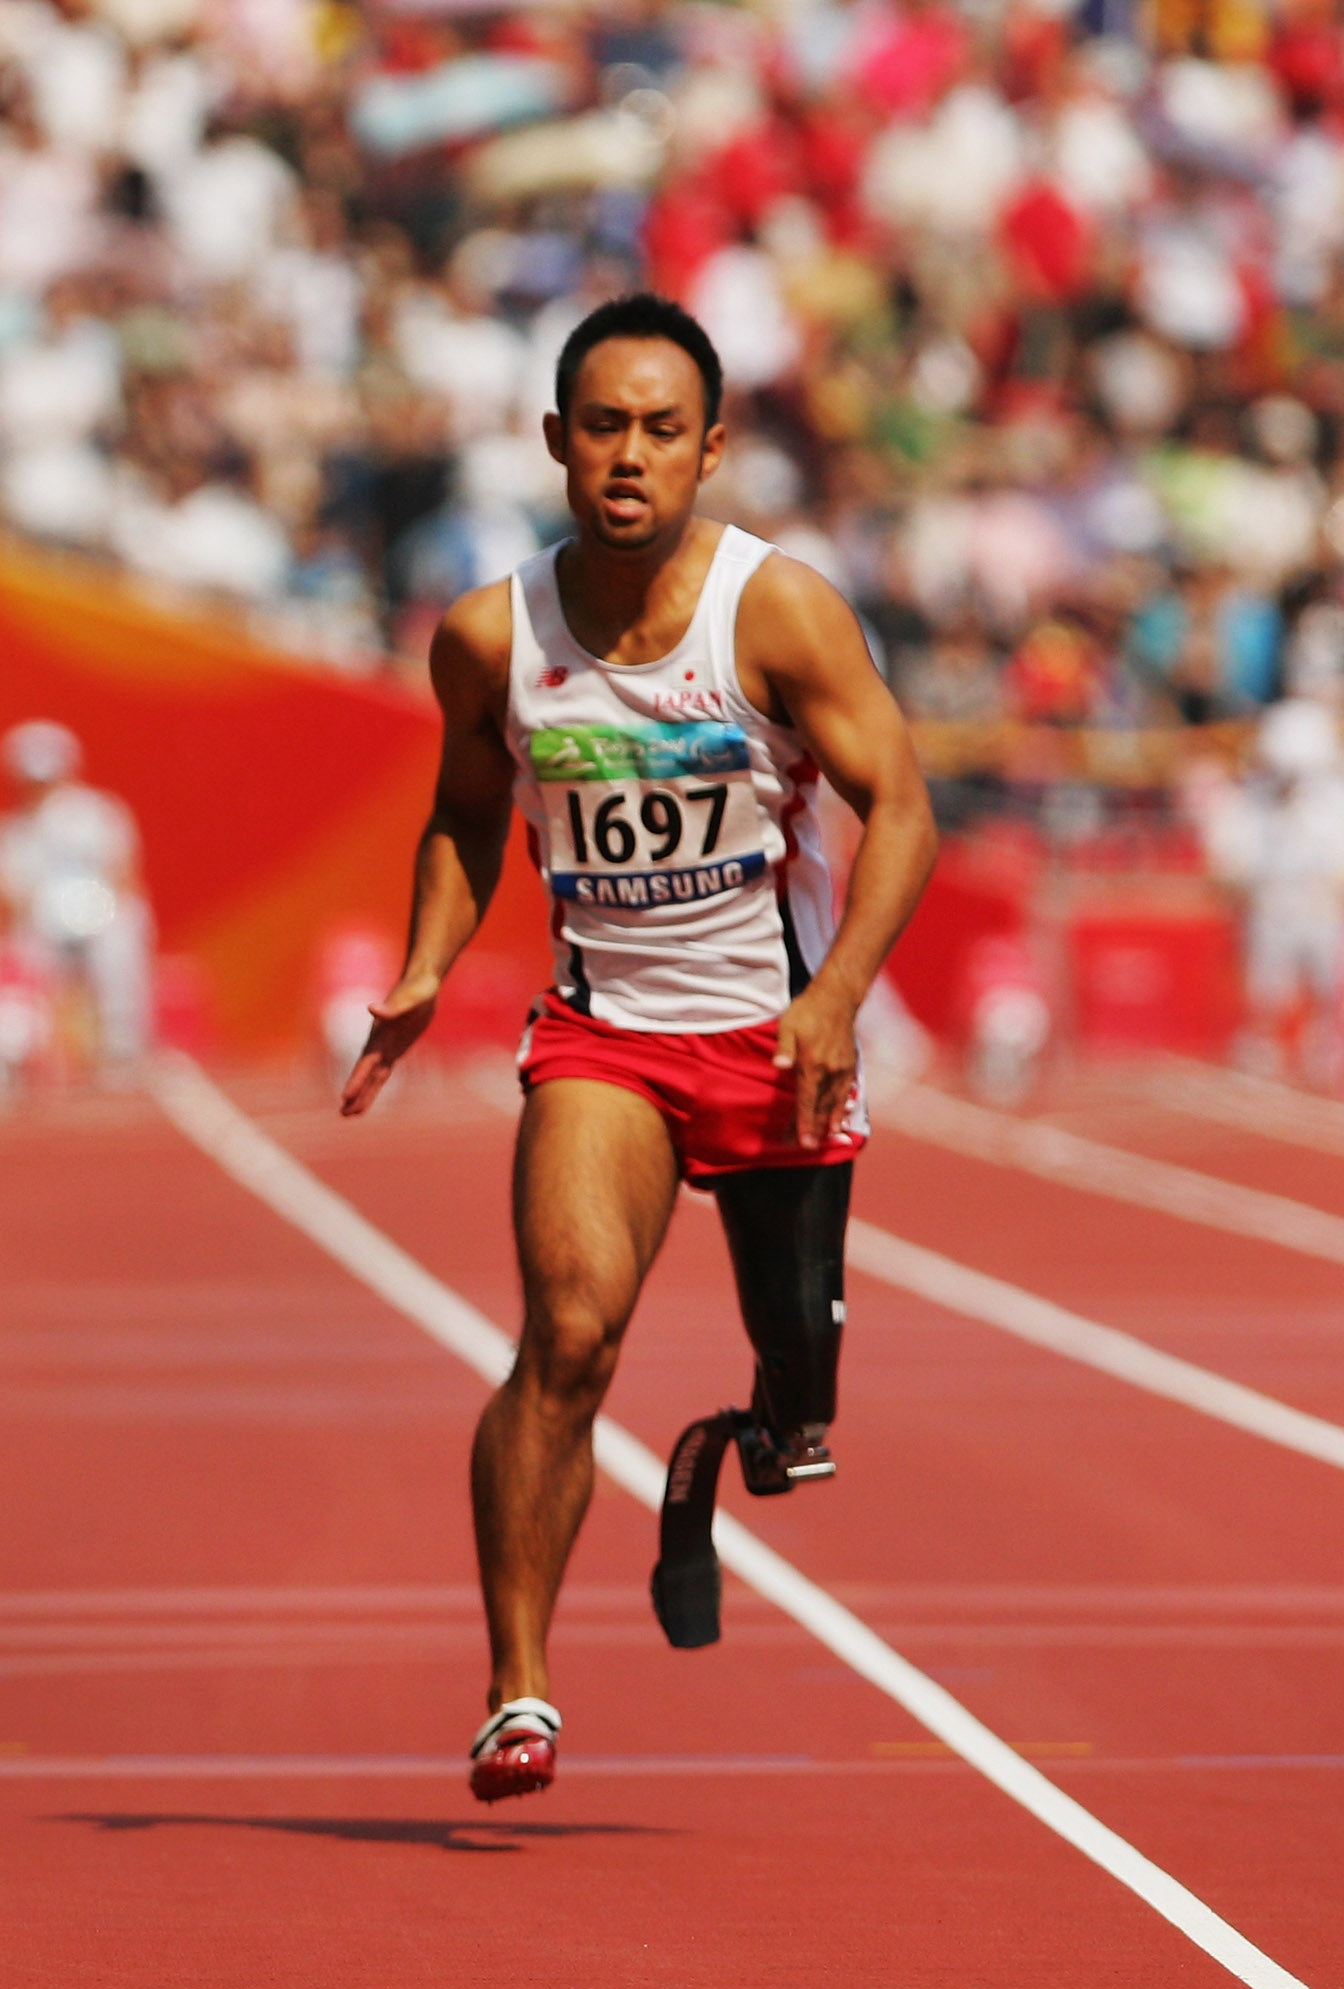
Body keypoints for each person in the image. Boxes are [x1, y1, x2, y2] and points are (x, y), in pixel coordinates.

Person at [338, 294, 937, 1803]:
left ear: (712, 450)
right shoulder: (491, 638)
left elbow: (906, 810)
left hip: (780, 1038)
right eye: (602, 425)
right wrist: (423, 967)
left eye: (662, 431)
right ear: (555, 440)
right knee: (568, 1334)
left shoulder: (778, 612)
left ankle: (729, 1446)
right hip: (608, 1043)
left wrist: (841, 991)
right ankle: (517, 1691)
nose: (629, 457)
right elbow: (468, 817)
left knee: (802, 1415)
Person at [0, 718, 153, 1104]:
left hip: (102, 913)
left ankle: (121, 1051)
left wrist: (93, 911)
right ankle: (8, 1049)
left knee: (118, 944)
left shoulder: (98, 814)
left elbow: (123, 872)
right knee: (13, 960)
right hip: (44, 925)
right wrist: (44, 919)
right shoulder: (10, 834)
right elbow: (9, 894)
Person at [1195, 698, 1344, 1085]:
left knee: (1326, 984)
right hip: (1272, 906)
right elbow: (1232, 861)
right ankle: (1265, 1038)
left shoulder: (1332, 802)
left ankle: (1325, 1043)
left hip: (1319, 906)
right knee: (1268, 988)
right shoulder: (1253, 801)